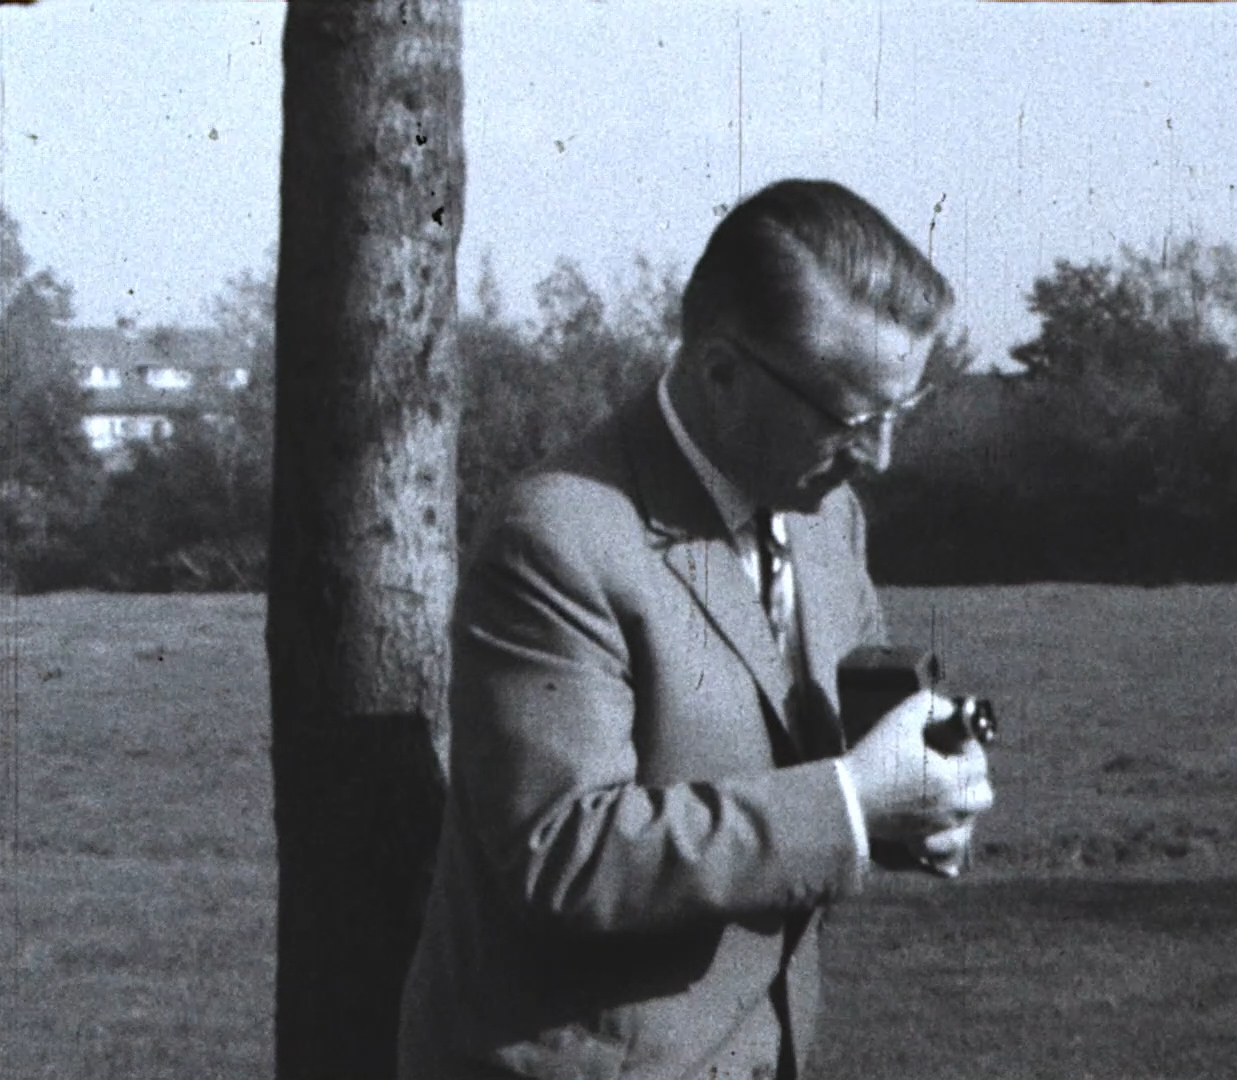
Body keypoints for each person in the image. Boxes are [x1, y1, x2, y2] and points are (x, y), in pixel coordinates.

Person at [397, 179, 995, 1080]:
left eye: (898, 413)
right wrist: (852, 804)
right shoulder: (557, 536)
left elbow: (825, 760)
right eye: (850, 418)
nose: (879, 458)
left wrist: (922, 807)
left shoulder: (827, 518)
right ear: (720, 374)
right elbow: (564, 853)